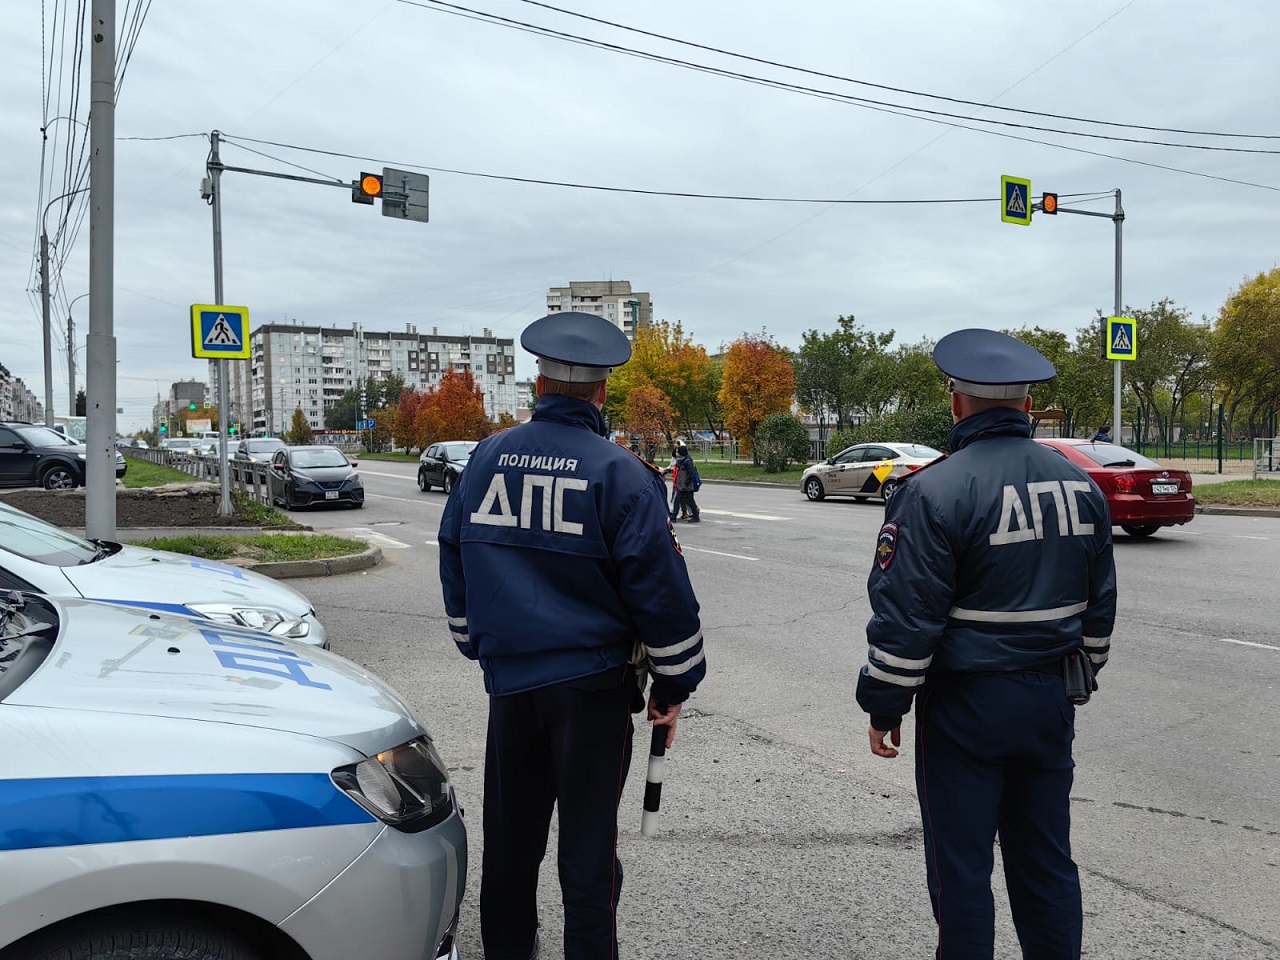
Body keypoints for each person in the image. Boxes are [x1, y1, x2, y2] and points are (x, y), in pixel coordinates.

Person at [438, 311, 707, 960]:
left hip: (511, 687)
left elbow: (453, 553)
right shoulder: (620, 474)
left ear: (539, 381)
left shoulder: (486, 459)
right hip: (591, 691)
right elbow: (659, 591)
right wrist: (676, 680)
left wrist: (479, 642)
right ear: (603, 390)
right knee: (586, 862)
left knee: (510, 848)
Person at [854, 328, 1117, 960]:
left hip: (965, 708)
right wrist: (1077, 674)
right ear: (1027, 407)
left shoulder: (933, 491)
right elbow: (1100, 605)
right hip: (1051, 696)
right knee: (1047, 864)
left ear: (956, 404)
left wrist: (884, 706)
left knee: (962, 870)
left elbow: (907, 617)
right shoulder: (1079, 484)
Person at [670, 444, 700, 523]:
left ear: (681, 453)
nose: (676, 453)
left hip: (687, 486)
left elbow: (691, 473)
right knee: (678, 500)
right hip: (682, 486)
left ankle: (696, 517)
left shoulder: (687, 462)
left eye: (678, 452)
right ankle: (673, 516)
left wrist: (687, 482)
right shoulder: (681, 461)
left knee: (690, 501)